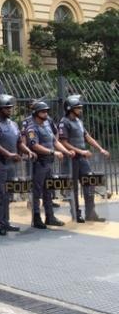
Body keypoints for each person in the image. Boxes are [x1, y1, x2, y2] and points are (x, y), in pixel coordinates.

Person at [0, 94, 36, 236]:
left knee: (8, 193)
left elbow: (19, 142)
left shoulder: (13, 124)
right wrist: (7, 153)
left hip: (10, 162)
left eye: (10, 108)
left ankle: (6, 221)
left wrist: (28, 151)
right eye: (7, 108)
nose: (10, 110)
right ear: (0, 108)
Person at [58, 95, 110, 223]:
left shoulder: (79, 122)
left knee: (89, 184)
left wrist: (100, 149)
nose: (81, 110)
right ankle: (76, 213)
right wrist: (80, 151)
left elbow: (88, 137)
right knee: (73, 188)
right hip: (72, 160)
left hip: (83, 159)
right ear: (70, 109)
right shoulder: (64, 122)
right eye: (78, 108)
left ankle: (90, 213)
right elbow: (63, 142)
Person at [25, 101, 75, 229]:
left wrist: (65, 151)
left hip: (48, 162)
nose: (46, 113)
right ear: (36, 113)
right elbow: (34, 145)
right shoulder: (32, 128)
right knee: (37, 191)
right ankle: (36, 217)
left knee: (48, 190)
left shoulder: (46, 125)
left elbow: (54, 141)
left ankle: (50, 217)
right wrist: (53, 152)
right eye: (43, 111)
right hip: (39, 163)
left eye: (46, 111)